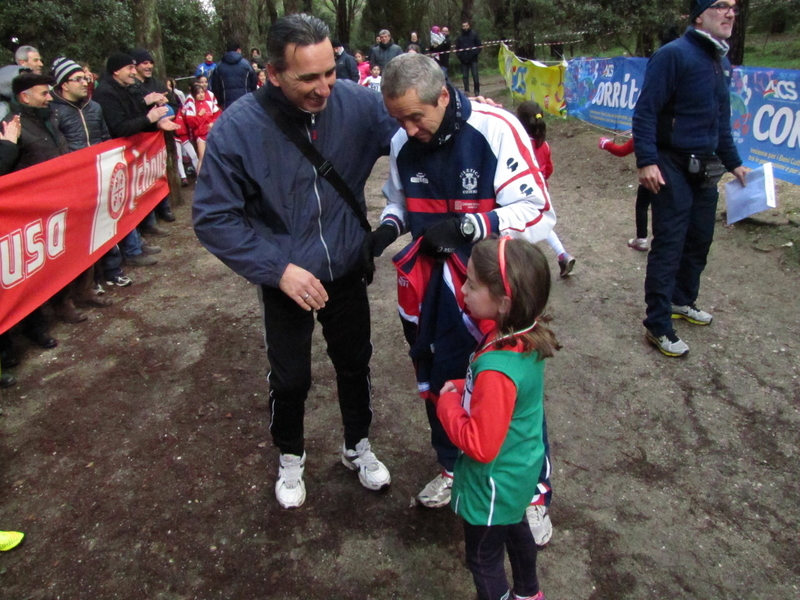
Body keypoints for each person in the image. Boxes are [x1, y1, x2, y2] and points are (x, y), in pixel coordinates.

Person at [193, 13, 398, 509]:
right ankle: (290, 455)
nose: (323, 87)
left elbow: (413, 124)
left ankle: (358, 446)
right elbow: (213, 216)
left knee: (355, 362)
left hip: (347, 267)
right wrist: (277, 268)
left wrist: (461, 108)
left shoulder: (356, 104)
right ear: (272, 73)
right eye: (307, 77)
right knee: (290, 378)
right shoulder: (238, 128)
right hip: (285, 276)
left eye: (329, 71)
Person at [368, 53, 555, 516]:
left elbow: (538, 210)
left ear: (444, 96)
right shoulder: (402, 140)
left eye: (416, 116)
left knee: (503, 389)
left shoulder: (496, 128)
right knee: (440, 380)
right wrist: (386, 231)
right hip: (432, 289)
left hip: (493, 292)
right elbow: (398, 202)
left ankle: (531, 493)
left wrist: (472, 226)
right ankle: (454, 468)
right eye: (398, 118)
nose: (408, 129)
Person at [436, 237, 556, 600]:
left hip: (492, 481)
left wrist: (447, 404)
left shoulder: (495, 367)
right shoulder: (522, 338)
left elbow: (481, 445)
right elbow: (505, 399)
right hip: (520, 470)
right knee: (516, 528)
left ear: (504, 302)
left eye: (472, 284)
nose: (463, 289)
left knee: (483, 558)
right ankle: (528, 593)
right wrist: (464, 385)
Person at [632, 0, 749, 357]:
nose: (731, 13)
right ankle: (658, 323)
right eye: (722, 6)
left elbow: (720, 121)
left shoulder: (720, 61)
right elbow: (646, 111)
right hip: (671, 165)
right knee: (670, 244)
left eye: (734, 7)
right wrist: (647, 160)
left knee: (699, 239)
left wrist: (735, 164)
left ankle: (682, 300)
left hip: (707, 167)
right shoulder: (673, 55)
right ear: (700, 14)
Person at [93, 52, 178, 268]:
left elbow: (132, 115)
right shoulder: (105, 93)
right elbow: (119, 126)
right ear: (116, 70)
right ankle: (131, 250)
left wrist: (152, 115)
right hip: (115, 157)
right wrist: (149, 117)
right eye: (130, 68)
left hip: (130, 154)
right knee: (121, 203)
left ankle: (137, 242)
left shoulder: (125, 88)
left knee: (133, 199)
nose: (134, 72)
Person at [49, 56, 117, 311]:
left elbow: (106, 137)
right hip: (71, 184)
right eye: (78, 79)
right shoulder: (54, 111)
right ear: (63, 84)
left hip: (97, 179)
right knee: (74, 240)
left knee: (97, 232)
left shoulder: (94, 107)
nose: (85, 82)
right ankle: (69, 297)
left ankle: (91, 286)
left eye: (85, 78)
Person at [516, 101, 576, 277]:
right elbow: (549, 169)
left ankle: (524, 271)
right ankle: (562, 255)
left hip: (521, 192)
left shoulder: (519, 144)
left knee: (520, 228)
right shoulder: (545, 145)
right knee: (543, 224)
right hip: (541, 192)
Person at [598, 136, 652, 251]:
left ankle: (642, 240)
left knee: (642, 207)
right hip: (671, 176)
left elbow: (622, 151)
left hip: (649, 176)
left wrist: (605, 144)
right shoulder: (674, 130)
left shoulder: (644, 133)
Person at [184, 82, 219, 173]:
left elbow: (218, 115)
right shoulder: (192, 106)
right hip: (200, 135)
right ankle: (199, 180)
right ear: (194, 95)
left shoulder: (209, 103)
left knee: (215, 156)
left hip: (212, 133)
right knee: (202, 158)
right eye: (198, 93)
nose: (201, 95)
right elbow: (191, 123)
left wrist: (212, 123)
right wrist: (199, 115)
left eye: (202, 92)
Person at [210, 41, 257, 110]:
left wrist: (220, 102)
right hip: (246, 102)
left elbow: (216, 87)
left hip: (227, 104)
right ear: (238, 50)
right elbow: (254, 83)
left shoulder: (219, 67)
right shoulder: (247, 65)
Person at [456, 22, 481, 95]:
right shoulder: (460, 37)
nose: (465, 27)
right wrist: (460, 56)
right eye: (463, 26)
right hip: (464, 60)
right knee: (465, 77)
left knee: (475, 76)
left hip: (473, 59)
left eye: (466, 26)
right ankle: (466, 91)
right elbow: (457, 49)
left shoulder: (474, 35)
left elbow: (479, 46)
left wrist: (475, 53)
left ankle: (477, 91)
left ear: (469, 26)